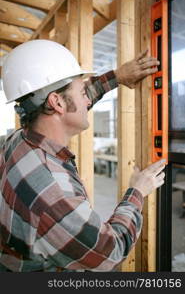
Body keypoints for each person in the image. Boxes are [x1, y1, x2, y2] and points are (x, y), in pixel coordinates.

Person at [0, 40, 165, 272]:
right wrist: (137, 192)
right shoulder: (53, 192)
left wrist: (117, 76)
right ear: (56, 102)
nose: (88, 99)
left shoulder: (17, 141)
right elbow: (111, 250)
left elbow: (73, 101)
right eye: (81, 92)